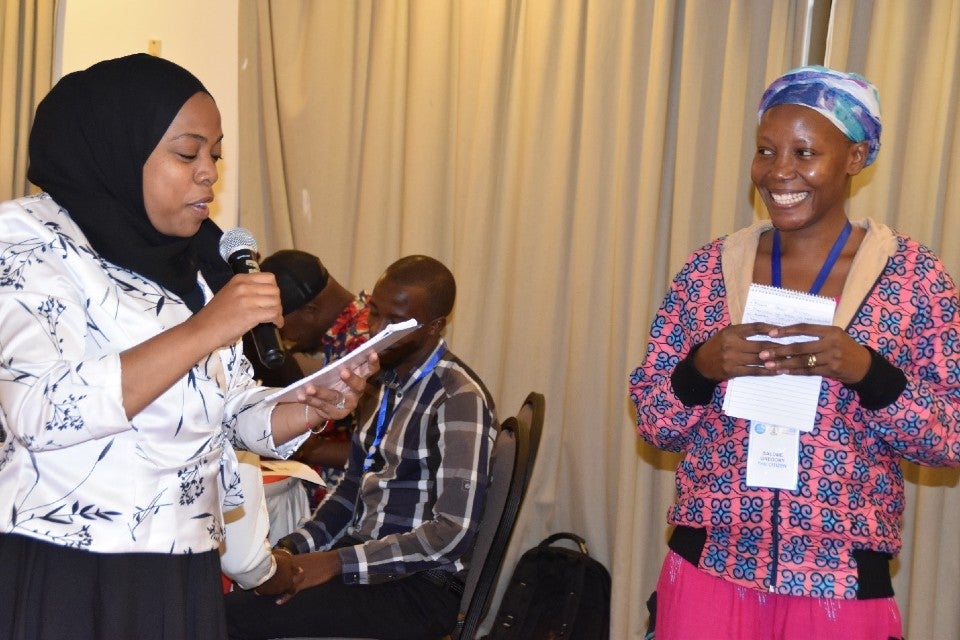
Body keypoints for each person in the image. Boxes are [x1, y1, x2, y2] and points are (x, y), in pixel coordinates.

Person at [0, 53, 375, 640]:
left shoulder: (191, 265)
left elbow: (223, 413)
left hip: (181, 563)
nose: (209, 174)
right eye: (187, 153)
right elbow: (41, 413)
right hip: (73, 569)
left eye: (215, 156)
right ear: (117, 150)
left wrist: (309, 405)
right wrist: (206, 328)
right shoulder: (27, 243)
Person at [629, 65, 960, 640]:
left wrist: (868, 372)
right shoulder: (709, 271)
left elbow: (950, 435)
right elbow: (655, 421)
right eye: (765, 150)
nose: (779, 172)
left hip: (839, 579)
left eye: (805, 152)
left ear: (855, 158)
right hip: (711, 564)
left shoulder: (914, 280)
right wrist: (702, 368)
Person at [225, 255, 499, 640]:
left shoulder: (457, 398)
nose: (376, 330)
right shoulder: (381, 384)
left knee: (232, 619)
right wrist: (288, 552)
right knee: (236, 599)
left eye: (396, 323)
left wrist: (336, 563)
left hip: (421, 586)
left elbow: (452, 533)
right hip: (365, 561)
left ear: (434, 326)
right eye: (374, 313)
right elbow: (350, 492)